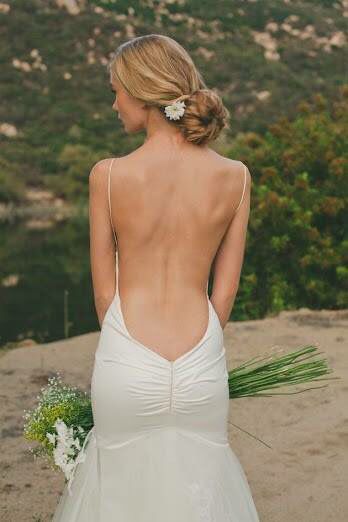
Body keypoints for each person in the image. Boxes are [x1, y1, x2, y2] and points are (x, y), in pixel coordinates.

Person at [52, 34, 259, 521]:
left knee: (118, 494)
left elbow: (105, 294)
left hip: (129, 357)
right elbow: (224, 292)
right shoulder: (236, 176)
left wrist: (126, 349)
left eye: (116, 90)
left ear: (143, 93)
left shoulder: (107, 176)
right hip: (199, 361)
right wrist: (203, 345)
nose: (113, 103)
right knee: (202, 491)